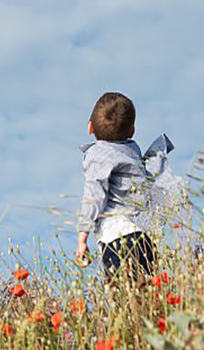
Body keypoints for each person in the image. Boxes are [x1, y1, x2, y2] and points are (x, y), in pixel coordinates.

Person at [75, 92, 157, 283]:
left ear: (90, 127)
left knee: (124, 301)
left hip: (118, 239)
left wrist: (82, 237)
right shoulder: (133, 153)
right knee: (148, 300)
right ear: (133, 131)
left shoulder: (98, 156)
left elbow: (94, 196)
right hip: (144, 239)